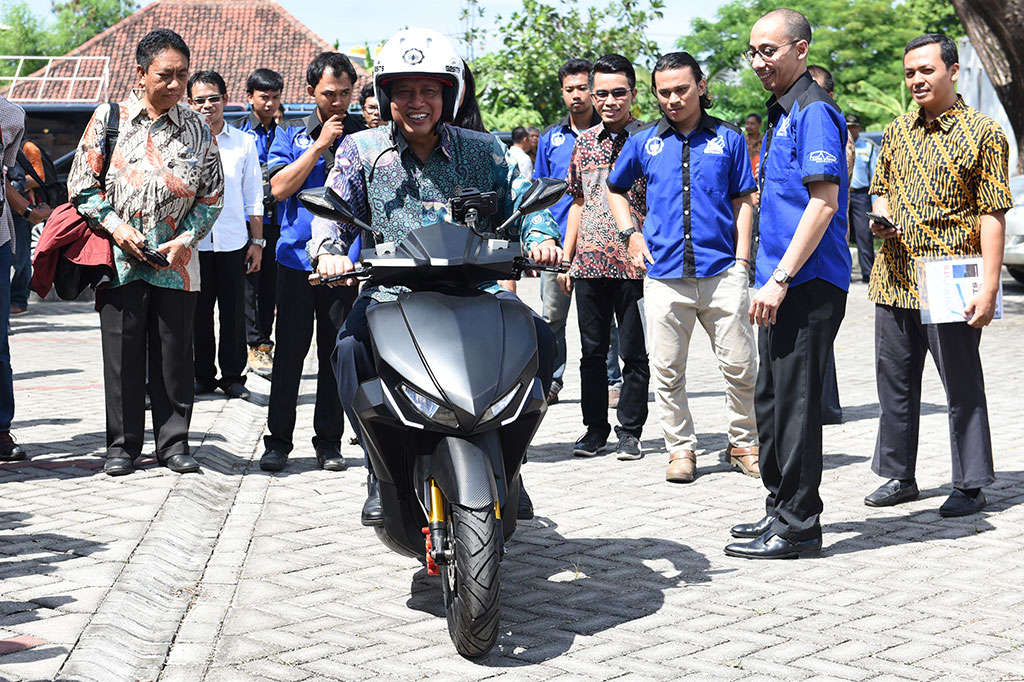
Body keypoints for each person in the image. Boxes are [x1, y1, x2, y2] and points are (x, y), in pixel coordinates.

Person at [307, 28, 562, 527]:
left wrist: (540, 237)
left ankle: (511, 464)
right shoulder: (362, 152)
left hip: (478, 290)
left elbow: (524, 202)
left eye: (429, 90)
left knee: (544, 344)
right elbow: (333, 215)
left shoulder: (484, 150)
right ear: (385, 96)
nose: (417, 102)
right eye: (404, 90)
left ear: (450, 93)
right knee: (349, 352)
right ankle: (377, 466)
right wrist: (328, 253)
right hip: (392, 294)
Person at [863, 33, 1011, 517]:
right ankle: (898, 475)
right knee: (895, 385)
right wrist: (879, 217)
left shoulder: (984, 133)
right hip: (895, 276)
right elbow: (880, 187)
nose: (916, 80)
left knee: (961, 384)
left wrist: (989, 287)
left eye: (925, 70)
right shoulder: (897, 130)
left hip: (951, 277)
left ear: (952, 70)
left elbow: (992, 214)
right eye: (909, 73)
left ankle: (970, 483)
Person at [67, 28, 224, 476]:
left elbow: (212, 195)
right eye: (165, 75)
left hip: (177, 264)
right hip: (119, 260)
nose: (176, 85)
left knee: (175, 356)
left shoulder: (197, 127)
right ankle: (122, 445)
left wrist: (185, 238)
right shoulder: (108, 118)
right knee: (122, 355)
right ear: (140, 74)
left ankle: (174, 444)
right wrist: (117, 229)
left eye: (182, 75)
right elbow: (81, 186)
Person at [724, 9, 851, 560]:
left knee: (797, 406)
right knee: (771, 401)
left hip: (806, 282)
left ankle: (800, 525)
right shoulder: (781, 113)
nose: (758, 61)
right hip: (779, 284)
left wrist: (778, 278)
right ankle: (778, 506)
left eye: (769, 50)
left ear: (800, 50)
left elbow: (822, 203)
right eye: (753, 52)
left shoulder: (815, 110)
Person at [608, 52, 759, 482]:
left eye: (681, 89)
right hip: (664, 276)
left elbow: (743, 200)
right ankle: (680, 449)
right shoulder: (643, 142)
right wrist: (630, 235)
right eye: (664, 92)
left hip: (722, 271)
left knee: (740, 366)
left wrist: (743, 259)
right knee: (667, 370)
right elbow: (615, 188)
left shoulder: (728, 139)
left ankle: (743, 443)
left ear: (701, 87)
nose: (673, 99)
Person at [259, 52, 364, 473]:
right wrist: (320, 145)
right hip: (295, 261)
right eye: (328, 94)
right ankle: (278, 442)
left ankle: (329, 441)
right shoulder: (290, 135)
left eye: (344, 94)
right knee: (289, 354)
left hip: (343, 265)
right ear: (310, 93)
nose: (338, 102)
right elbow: (280, 187)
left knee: (334, 354)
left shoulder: (364, 137)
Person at [557, 54, 649, 461]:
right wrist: (567, 254)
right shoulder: (584, 142)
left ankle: (630, 431)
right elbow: (577, 201)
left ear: (632, 93)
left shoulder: (650, 139)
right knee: (591, 353)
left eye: (618, 93)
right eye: (602, 94)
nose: (610, 101)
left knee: (635, 352)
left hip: (636, 264)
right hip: (590, 262)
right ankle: (594, 429)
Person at [188, 70, 264, 401]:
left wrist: (257, 242)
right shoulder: (184, 143)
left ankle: (234, 376)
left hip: (234, 241)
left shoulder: (244, 142)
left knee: (234, 313)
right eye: (200, 100)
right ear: (189, 104)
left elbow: (254, 196)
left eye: (213, 98)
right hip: (194, 243)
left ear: (225, 99)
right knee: (197, 314)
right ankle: (202, 375)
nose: (207, 106)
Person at [534, 57, 599, 405]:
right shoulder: (551, 139)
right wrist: (542, 237)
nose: (576, 95)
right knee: (552, 315)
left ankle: (612, 379)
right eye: (569, 89)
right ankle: (552, 379)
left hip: (599, 243)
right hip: (556, 245)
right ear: (562, 92)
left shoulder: (610, 132)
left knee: (603, 318)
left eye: (583, 88)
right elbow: (539, 192)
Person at [236, 68, 283, 377]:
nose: (270, 103)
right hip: (246, 221)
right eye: (264, 97)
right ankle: (256, 345)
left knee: (272, 287)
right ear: (249, 97)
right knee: (249, 286)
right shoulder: (238, 133)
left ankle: (265, 344)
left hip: (279, 221)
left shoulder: (288, 132)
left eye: (275, 97)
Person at [807, 63, 845, 426]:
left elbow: (827, 200)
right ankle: (825, 405)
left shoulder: (825, 120)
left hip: (822, 255)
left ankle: (827, 406)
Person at [0, 95, 29, 460]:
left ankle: (1, 428)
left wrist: (24, 207)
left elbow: (4, 174)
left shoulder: (11, 115)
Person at [8, 139, 53, 316]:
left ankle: (19, 300)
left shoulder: (27, 147)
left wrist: (12, 186)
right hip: (16, 208)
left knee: (21, 258)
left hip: (21, 210)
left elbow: (39, 177)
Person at [845, 113, 879, 282]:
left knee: (864, 233)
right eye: (848, 126)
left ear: (859, 127)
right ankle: (843, 273)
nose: (851, 129)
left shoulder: (868, 147)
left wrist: (875, 204)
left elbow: (875, 176)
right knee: (841, 232)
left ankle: (868, 273)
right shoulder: (837, 143)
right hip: (842, 193)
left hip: (860, 195)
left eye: (853, 126)